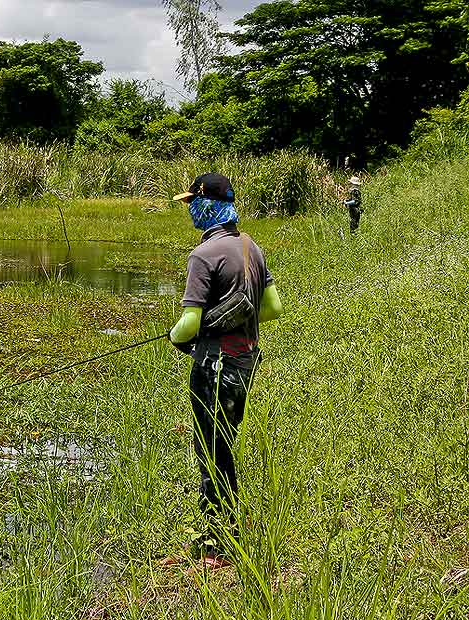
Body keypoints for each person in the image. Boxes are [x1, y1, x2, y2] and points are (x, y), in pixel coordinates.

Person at [161, 172, 284, 572]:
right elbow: (272, 309)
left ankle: (217, 547)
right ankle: (228, 529)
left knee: (211, 453)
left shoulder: (203, 256)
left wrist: (175, 335)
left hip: (214, 367)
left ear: (208, 204)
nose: (190, 210)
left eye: (192, 203)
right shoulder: (251, 246)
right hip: (246, 360)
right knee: (224, 445)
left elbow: (189, 325)